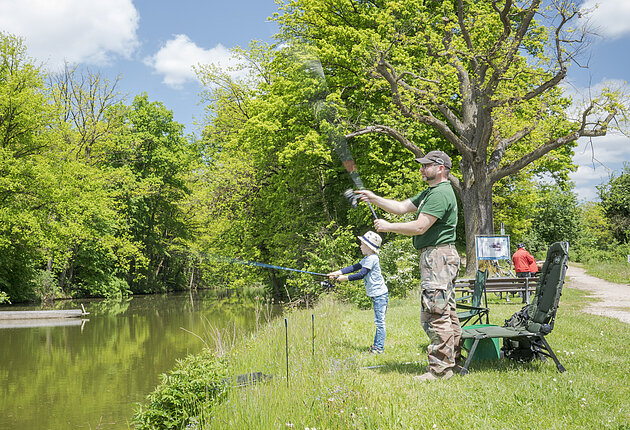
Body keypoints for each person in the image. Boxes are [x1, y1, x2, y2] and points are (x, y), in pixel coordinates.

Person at [355, 150, 461, 382]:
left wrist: (387, 227)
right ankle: (452, 362)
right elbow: (402, 207)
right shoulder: (430, 192)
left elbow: (420, 227)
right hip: (437, 256)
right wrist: (373, 197)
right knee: (445, 311)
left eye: (426, 165)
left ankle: (440, 370)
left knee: (435, 313)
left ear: (440, 168)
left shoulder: (441, 193)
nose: (421, 169)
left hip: (438, 257)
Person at [327, 231, 389, 354]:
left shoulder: (372, 258)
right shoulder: (367, 258)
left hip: (379, 295)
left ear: (369, 247)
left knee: (380, 322)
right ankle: (376, 346)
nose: (360, 246)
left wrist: (345, 278)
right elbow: (354, 267)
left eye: (362, 244)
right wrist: (337, 272)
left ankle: (379, 348)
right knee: (378, 321)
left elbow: (361, 274)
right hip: (377, 294)